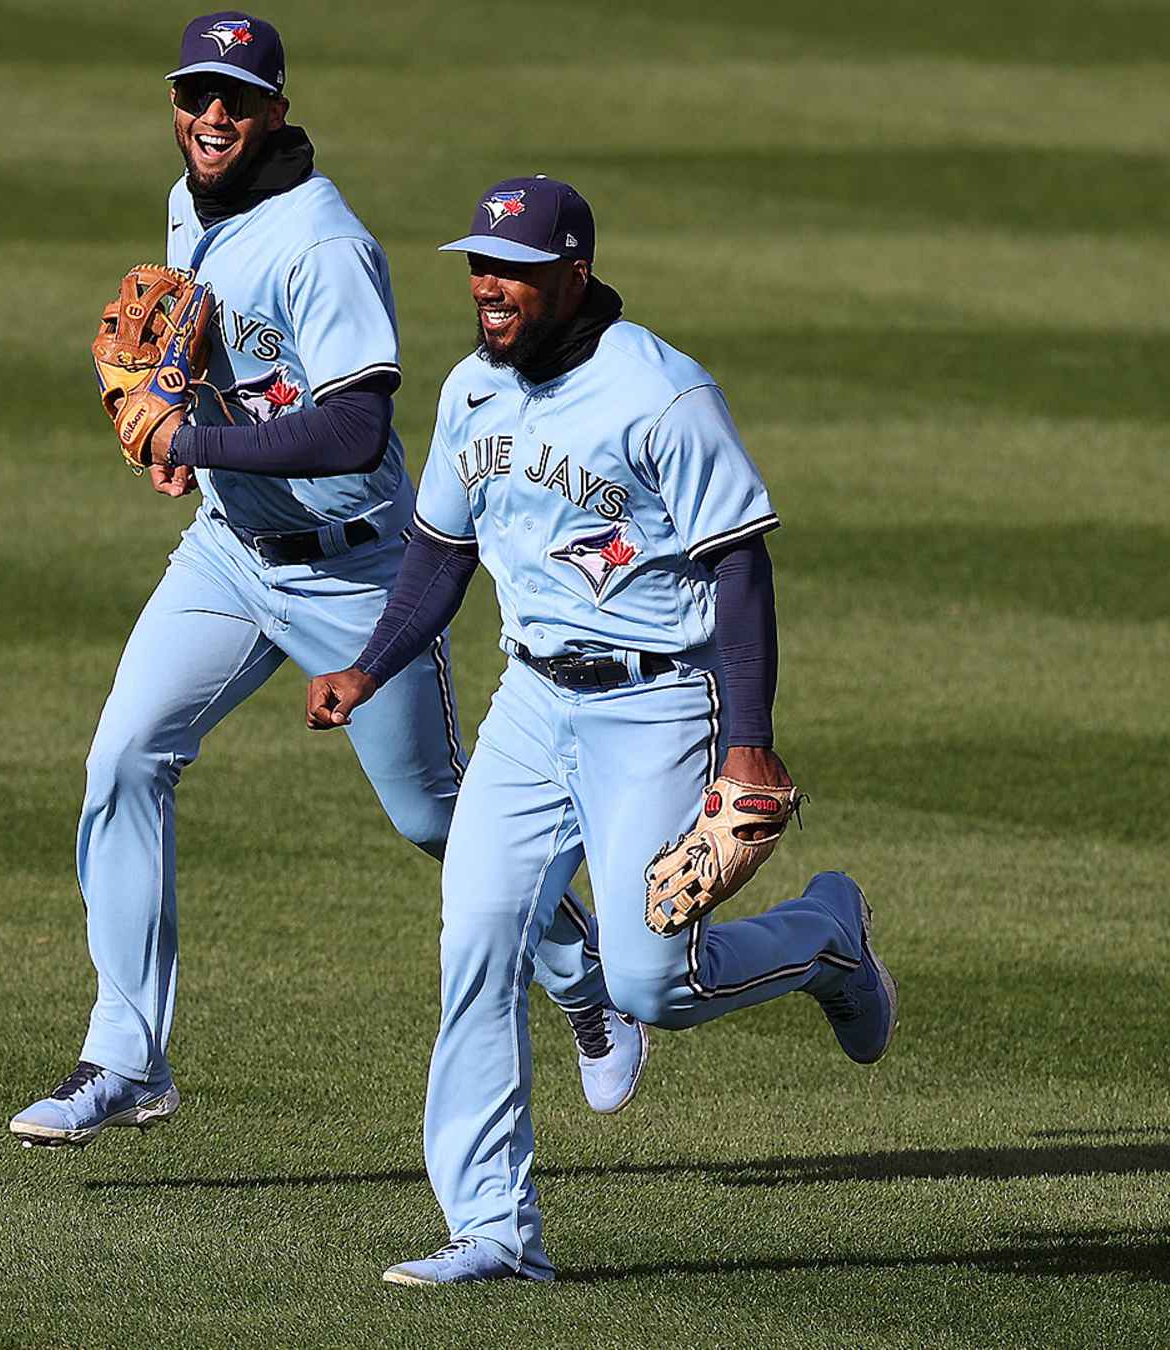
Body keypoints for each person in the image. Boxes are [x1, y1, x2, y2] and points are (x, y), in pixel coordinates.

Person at [10, 15, 640, 1148]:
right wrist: (186, 411)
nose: (211, 118)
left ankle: (583, 977)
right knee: (124, 756)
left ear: (276, 112)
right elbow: (220, 358)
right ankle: (125, 1058)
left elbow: (353, 428)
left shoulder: (322, 242)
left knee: (436, 814)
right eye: (196, 95)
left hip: (356, 573)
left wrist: (185, 442)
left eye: (235, 101)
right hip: (227, 553)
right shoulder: (188, 202)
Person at [306, 175, 897, 1286]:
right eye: (480, 268)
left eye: (514, 274)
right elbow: (439, 552)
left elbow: (740, 562)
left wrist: (749, 741)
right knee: (476, 944)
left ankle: (827, 940)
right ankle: (494, 1228)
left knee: (650, 985)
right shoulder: (470, 391)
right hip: (531, 704)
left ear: (572, 276)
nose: (489, 290)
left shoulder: (662, 394)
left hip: (658, 702)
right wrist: (369, 664)